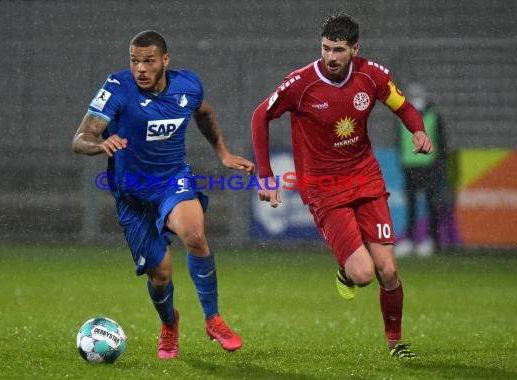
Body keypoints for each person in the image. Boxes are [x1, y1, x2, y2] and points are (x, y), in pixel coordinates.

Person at [251, 13, 433, 358]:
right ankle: (347, 272)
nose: (330, 57)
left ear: (355, 48)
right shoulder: (301, 84)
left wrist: (419, 129)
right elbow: (261, 115)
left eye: (338, 50)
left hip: (365, 178)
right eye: (325, 49)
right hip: (324, 188)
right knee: (364, 274)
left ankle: (395, 343)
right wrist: (265, 174)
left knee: (389, 269)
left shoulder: (372, 75)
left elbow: (404, 107)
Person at [72, 30, 254, 359]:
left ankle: (213, 319)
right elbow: (81, 137)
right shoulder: (117, 88)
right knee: (161, 275)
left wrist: (223, 153)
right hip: (131, 196)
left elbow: (204, 114)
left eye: (148, 61)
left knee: (195, 234)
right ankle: (169, 323)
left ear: (165, 61)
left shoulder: (188, 86)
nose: (140, 68)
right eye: (134, 61)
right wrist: (99, 144)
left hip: (172, 180)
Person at [394, 82, 449, 258]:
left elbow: (442, 142)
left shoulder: (433, 115)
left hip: (429, 166)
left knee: (431, 204)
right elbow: (399, 140)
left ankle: (432, 240)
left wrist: (439, 164)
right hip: (410, 166)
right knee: (411, 205)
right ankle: (410, 240)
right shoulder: (402, 116)